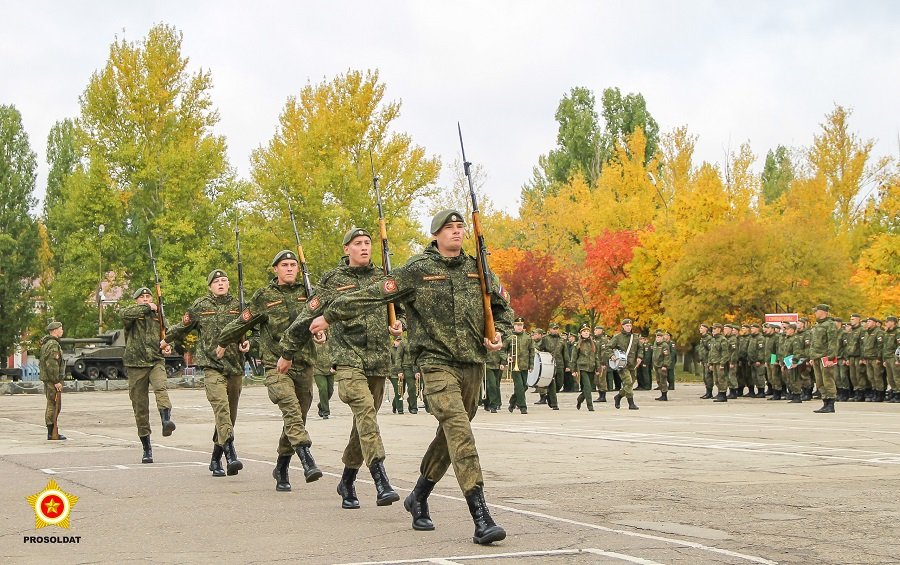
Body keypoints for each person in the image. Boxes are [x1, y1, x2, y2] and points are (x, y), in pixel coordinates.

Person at [312, 209, 513, 545]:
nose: (456, 233)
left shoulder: (478, 269)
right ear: (436, 235)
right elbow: (373, 294)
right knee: (460, 433)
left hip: (472, 365)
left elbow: (503, 309)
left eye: (460, 227)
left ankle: (418, 496)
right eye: (449, 228)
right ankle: (481, 516)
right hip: (435, 365)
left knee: (449, 438)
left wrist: (500, 335)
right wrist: (329, 315)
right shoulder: (418, 270)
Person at [279, 227, 404, 509]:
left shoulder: (382, 278)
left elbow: (401, 310)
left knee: (364, 422)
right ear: (346, 248)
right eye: (357, 243)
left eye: (367, 243)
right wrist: (287, 352)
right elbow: (307, 315)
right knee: (365, 413)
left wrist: (400, 324)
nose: (364, 248)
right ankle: (380, 479)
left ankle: (347, 480)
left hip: (378, 361)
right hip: (348, 360)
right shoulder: (333, 281)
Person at [217, 250, 321, 492]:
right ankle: (306, 458)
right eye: (284, 265)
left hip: (304, 364)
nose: (289, 269)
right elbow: (243, 321)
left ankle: (282, 465)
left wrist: (323, 331)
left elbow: (323, 318)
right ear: (275, 269)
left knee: (298, 418)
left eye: (293, 265)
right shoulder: (264, 296)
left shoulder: (309, 292)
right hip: (276, 366)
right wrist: (223, 341)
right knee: (292, 410)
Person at [163, 269, 249, 476]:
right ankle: (231, 454)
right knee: (222, 409)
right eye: (216, 281)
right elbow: (182, 327)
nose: (221, 283)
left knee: (230, 416)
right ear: (210, 286)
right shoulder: (201, 306)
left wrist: (249, 343)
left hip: (235, 367)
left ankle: (215, 458)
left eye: (224, 280)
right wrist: (165, 340)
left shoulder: (240, 306)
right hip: (212, 367)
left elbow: (254, 330)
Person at [122, 287, 176, 464]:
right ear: (136, 300)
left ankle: (166, 420)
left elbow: (166, 334)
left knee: (161, 387)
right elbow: (124, 314)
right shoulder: (132, 315)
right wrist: (148, 307)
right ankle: (146, 447)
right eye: (142, 297)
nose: (146, 299)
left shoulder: (158, 316)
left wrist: (168, 345)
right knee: (140, 407)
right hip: (136, 364)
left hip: (155, 360)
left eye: (148, 296)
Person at [808, 304, 839, 413]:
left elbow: (832, 342)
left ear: (823, 312)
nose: (815, 313)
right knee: (819, 381)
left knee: (828, 380)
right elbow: (813, 342)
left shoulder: (829, 324)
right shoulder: (817, 325)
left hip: (825, 356)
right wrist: (812, 356)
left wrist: (831, 357)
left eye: (817, 311)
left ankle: (831, 403)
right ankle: (825, 402)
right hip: (816, 356)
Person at [607, 318, 643, 410]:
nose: (629, 327)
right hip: (622, 364)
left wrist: (639, 357)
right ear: (623, 326)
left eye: (630, 326)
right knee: (628, 382)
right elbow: (608, 348)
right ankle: (631, 403)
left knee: (630, 384)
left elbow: (640, 348)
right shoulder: (617, 337)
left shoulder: (635, 337)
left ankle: (618, 396)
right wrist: (611, 356)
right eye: (627, 326)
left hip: (633, 364)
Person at [39, 321, 66, 440]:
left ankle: (51, 431)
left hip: (49, 379)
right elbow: (52, 364)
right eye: (61, 329)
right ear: (55, 330)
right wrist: (56, 381)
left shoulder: (48, 343)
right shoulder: (53, 345)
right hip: (52, 380)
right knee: (54, 405)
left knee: (53, 404)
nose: (62, 331)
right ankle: (51, 432)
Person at [505, 317, 533, 414]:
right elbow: (502, 350)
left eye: (521, 325)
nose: (519, 327)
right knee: (519, 386)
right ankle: (523, 407)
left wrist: (531, 365)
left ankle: (512, 401)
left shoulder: (528, 337)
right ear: (514, 326)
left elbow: (531, 351)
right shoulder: (510, 337)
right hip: (514, 366)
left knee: (524, 386)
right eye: (517, 325)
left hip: (524, 365)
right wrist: (506, 357)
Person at [572, 325, 597, 411]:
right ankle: (590, 406)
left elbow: (596, 356)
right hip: (582, 367)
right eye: (584, 331)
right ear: (580, 333)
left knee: (588, 387)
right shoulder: (577, 344)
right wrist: (573, 369)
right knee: (588, 387)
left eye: (587, 331)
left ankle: (580, 399)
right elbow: (574, 358)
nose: (586, 332)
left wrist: (598, 368)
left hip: (592, 367)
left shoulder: (593, 343)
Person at [314, 337, 335, 418]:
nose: (319, 334)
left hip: (330, 370)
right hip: (318, 370)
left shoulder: (331, 343)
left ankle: (321, 405)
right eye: (317, 332)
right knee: (323, 389)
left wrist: (334, 367)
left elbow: (337, 355)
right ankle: (325, 412)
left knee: (330, 391)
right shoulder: (312, 344)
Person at [882, 316, 899, 402]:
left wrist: (898, 359)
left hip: (894, 357)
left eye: (888, 322)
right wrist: (884, 359)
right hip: (887, 357)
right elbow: (884, 347)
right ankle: (894, 392)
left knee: (897, 377)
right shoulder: (887, 332)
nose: (886, 323)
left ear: (893, 322)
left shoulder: (898, 332)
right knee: (890, 377)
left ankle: (898, 394)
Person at [389, 336, 406, 414]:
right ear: (394, 341)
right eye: (397, 340)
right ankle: (400, 409)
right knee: (398, 390)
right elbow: (389, 362)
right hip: (394, 374)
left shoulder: (404, 349)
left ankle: (394, 404)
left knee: (403, 391)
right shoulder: (390, 350)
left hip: (403, 372)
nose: (398, 342)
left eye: (400, 341)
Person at [651, 330, 670, 401]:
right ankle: (662, 394)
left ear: (662, 338)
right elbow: (654, 355)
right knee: (658, 380)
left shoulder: (664, 345)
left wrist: (665, 365)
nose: (658, 339)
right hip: (656, 365)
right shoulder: (655, 344)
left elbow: (667, 356)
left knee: (663, 380)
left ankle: (664, 395)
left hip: (662, 365)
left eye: (659, 337)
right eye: (657, 337)